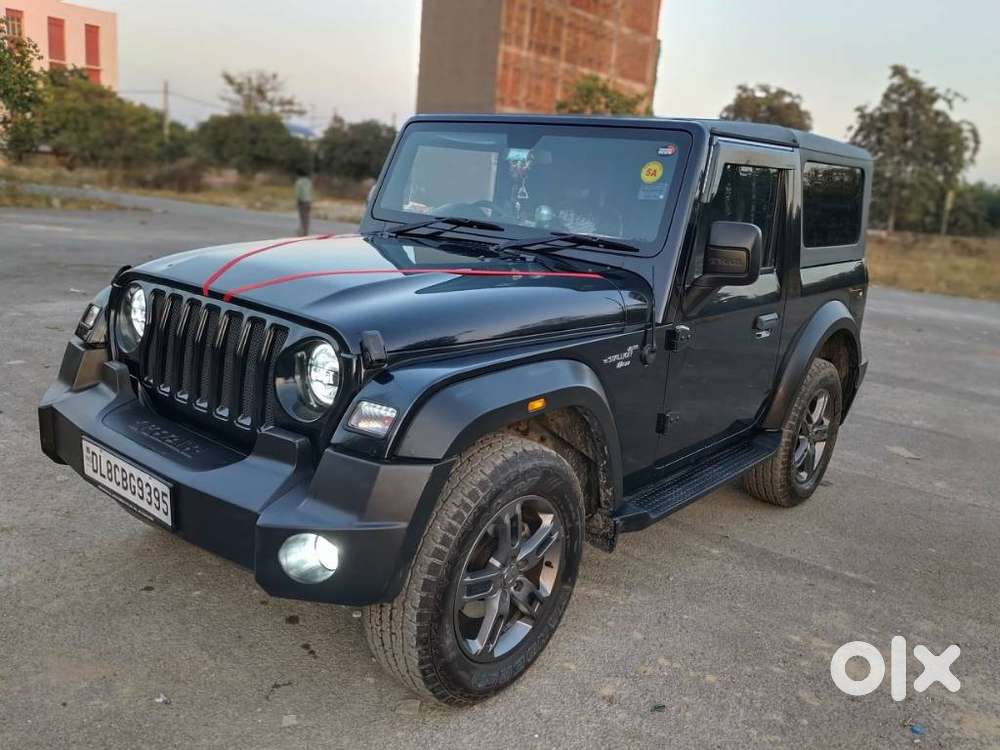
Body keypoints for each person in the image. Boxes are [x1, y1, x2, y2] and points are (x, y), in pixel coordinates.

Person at [294, 169, 313, 236]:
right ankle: (305, 231)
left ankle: (301, 231)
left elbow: (298, 193)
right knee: (307, 217)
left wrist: (297, 202)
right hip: (308, 201)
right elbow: (310, 191)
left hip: (302, 201)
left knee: (302, 217)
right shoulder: (308, 181)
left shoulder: (299, 182)